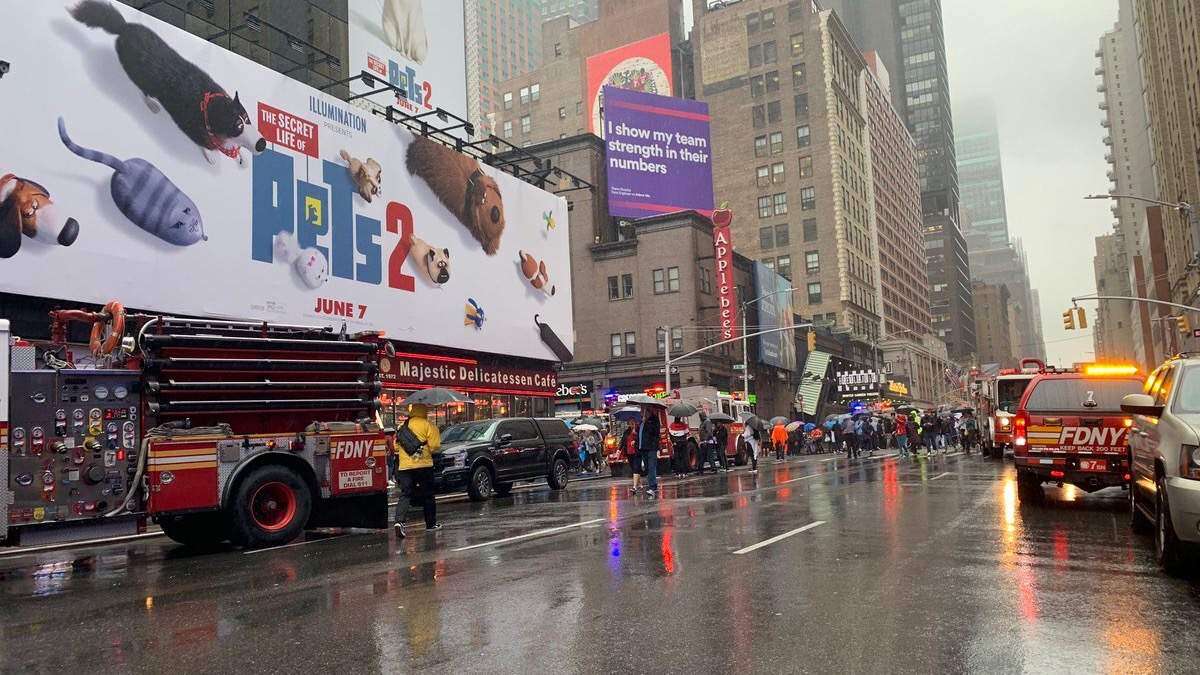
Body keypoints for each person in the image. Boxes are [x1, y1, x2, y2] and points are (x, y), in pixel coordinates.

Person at [394, 403, 442, 537]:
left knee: (406, 494)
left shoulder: (402, 427)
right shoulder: (428, 425)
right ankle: (431, 524)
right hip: (424, 466)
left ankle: (399, 521)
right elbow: (435, 446)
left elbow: (396, 448)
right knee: (428, 495)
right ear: (424, 411)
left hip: (404, 467)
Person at [638, 410, 661, 497]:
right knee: (647, 468)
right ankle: (651, 485)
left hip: (651, 447)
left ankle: (653, 487)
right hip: (644, 448)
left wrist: (646, 422)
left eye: (644, 411)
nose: (642, 413)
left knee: (651, 467)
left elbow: (654, 432)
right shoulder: (642, 421)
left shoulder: (654, 420)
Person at [624, 423, 643, 495]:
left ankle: (634, 487)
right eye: (630, 423)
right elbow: (623, 441)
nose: (631, 424)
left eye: (633, 423)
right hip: (629, 453)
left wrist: (636, 440)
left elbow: (642, 439)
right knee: (634, 469)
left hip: (637, 452)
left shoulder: (639, 430)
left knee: (636, 468)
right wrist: (619, 450)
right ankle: (640, 484)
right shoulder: (627, 432)